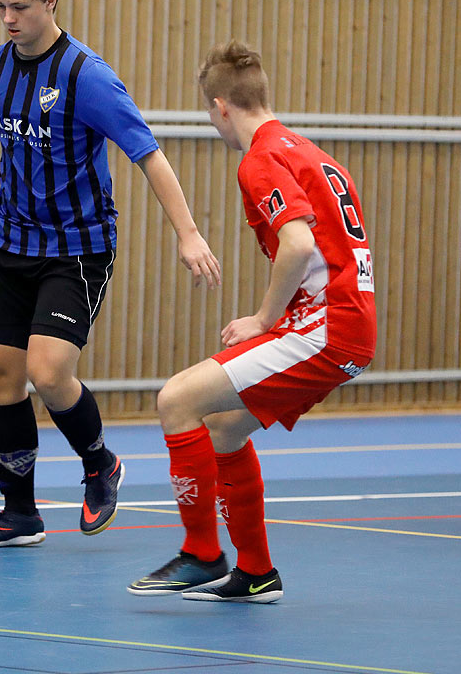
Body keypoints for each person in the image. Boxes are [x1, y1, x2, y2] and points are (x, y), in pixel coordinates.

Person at [0, 0, 221, 547]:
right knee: (2, 373)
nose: (8, 19)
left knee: (48, 371)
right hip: (8, 245)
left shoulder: (87, 76)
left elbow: (148, 155)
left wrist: (188, 233)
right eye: (0, 7)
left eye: (20, 6)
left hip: (76, 250)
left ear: (51, 1)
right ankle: (20, 514)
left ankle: (99, 462)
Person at [128, 41, 376, 602]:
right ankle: (257, 571)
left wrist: (265, 319)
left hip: (326, 326)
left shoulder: (260, 159)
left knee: (176, 400)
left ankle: (201, 554)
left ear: (220, 107)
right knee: (222, 428)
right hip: (347, 324)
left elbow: (297, 243)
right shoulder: (312, 153)